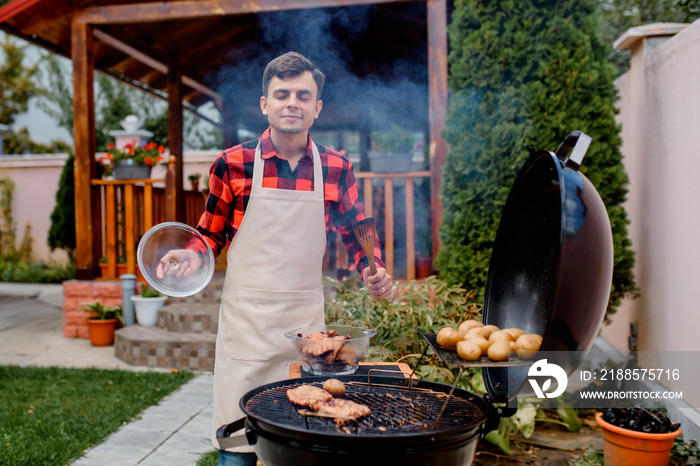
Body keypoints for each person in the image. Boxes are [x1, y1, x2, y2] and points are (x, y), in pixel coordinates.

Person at [156, 51, 393, 466]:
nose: (292, 103)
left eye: (303, 96)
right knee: (237, 444)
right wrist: (192, 256)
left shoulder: (337, 167)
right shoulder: (232, 164)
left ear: (317, 108)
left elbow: (359, 230)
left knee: (301, 446)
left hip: (306, 333)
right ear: (264, 104)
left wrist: (375, 268)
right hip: (245, 326)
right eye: (281, 94)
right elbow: (209, 234)